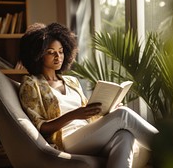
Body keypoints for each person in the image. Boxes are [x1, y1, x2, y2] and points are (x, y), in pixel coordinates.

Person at [19, 22, 158, 168]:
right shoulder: (31, 84)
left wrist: (109, 108)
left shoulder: (71, 81)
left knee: (125, 136)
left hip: (88, 133)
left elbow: (89, 114)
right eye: (51, 52)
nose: (58, 56)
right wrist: (74, 114)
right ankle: (168, 148)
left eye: (60, 51)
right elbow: (40, 127)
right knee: (123, 115)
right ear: (38, 55)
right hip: (66, 139)